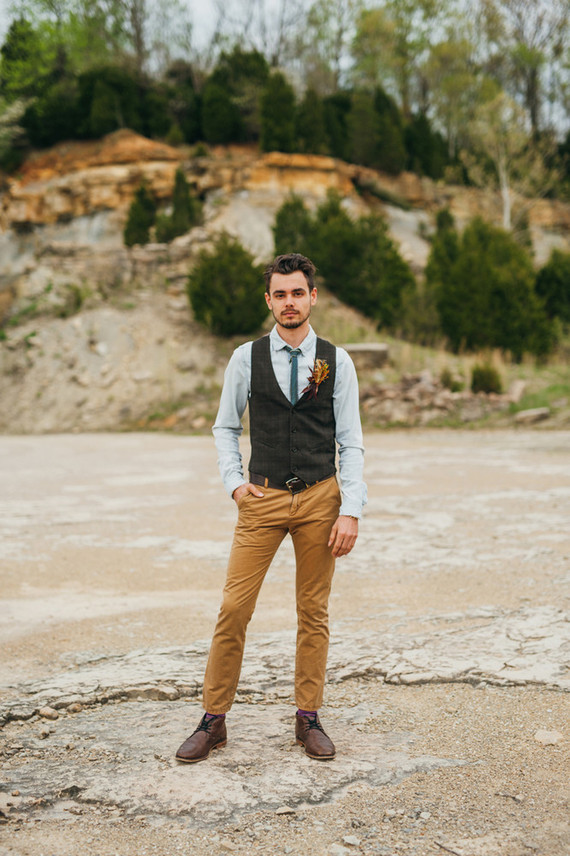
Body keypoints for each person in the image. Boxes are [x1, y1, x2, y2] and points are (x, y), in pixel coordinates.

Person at [175, 252, 366, 763]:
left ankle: (308, 718)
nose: (289, 302)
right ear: (269, 300)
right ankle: (213, 720)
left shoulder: (337, 359)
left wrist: (351, 508)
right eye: (280, 294)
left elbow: (351, 439)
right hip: (260, 499)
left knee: (313, 611)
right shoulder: (245, 357)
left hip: (322, 499)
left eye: (297, 292)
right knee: (234, 609)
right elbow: (224, 426)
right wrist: (235, 484)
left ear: (312, 297)